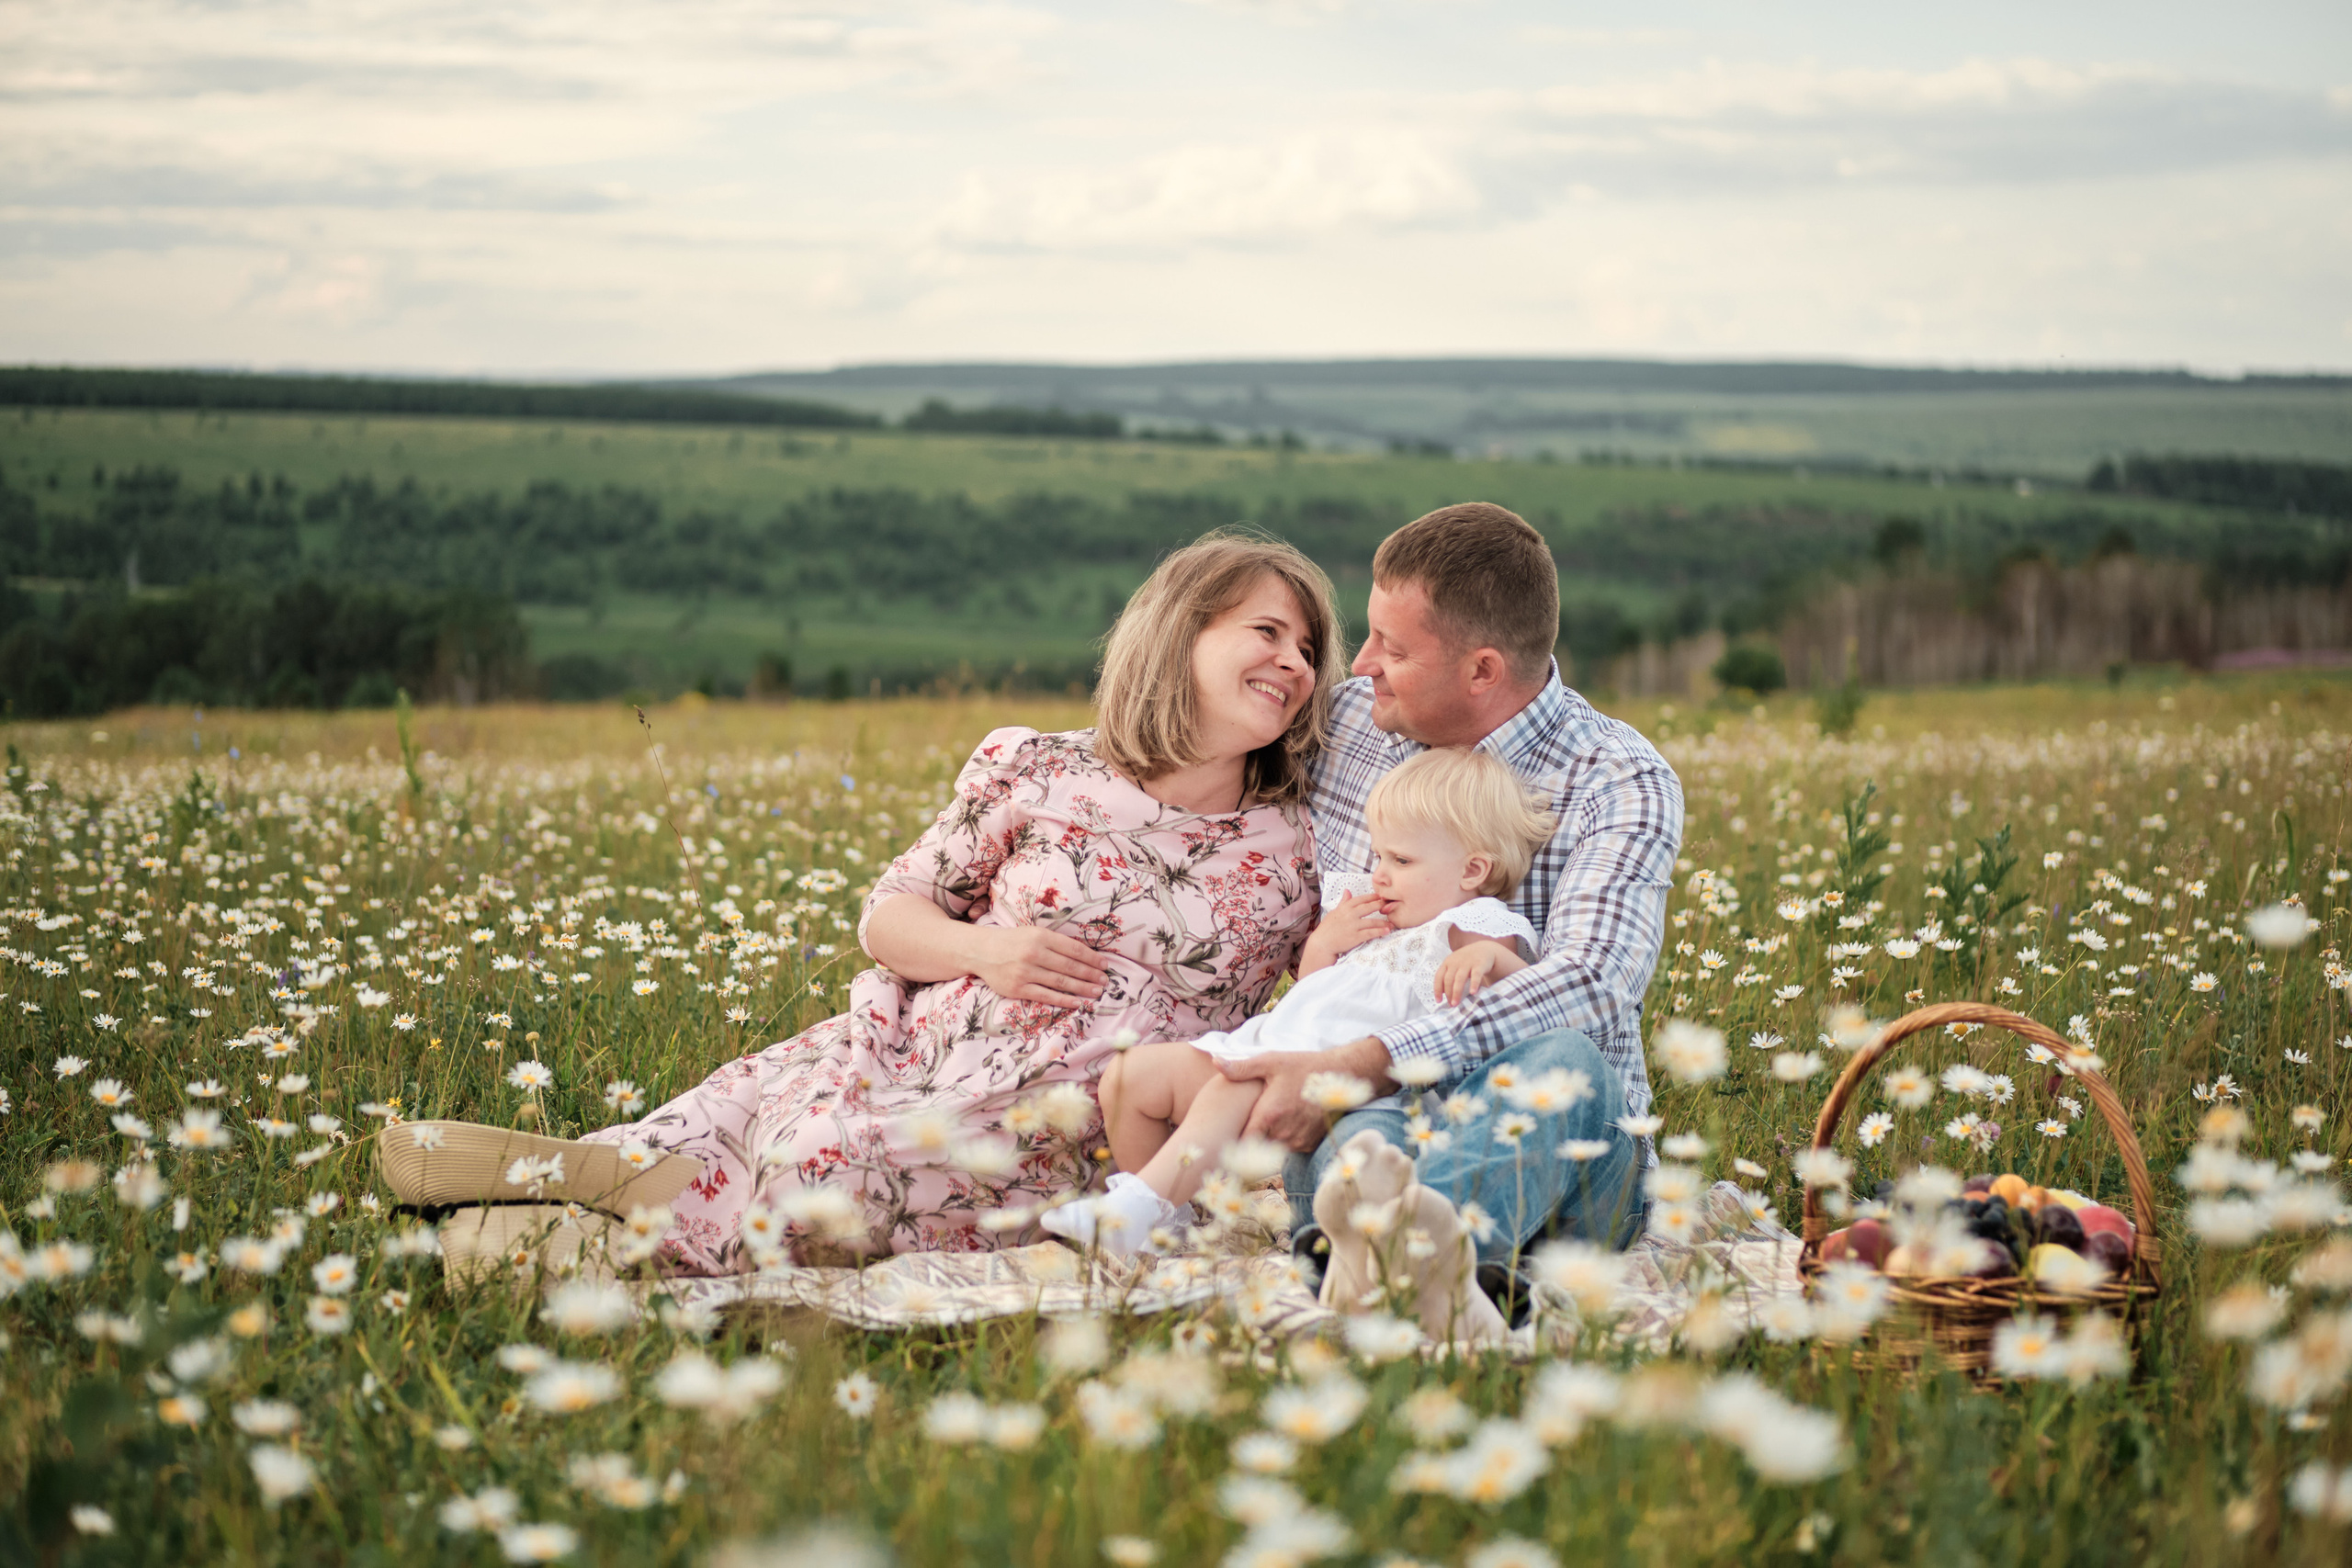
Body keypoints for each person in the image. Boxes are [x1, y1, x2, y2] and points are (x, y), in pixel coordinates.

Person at [377, 529, 1350, 1280]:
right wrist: (988, 952)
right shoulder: (1040, 767)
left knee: (827, 1169)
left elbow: (1315, 1005)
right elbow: (891, 914)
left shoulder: (1299, 839)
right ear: (1180, 632)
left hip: (1081, 1122)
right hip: (918, 1047)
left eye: (1308, 650)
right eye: (1267, 632)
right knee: (767, 1120)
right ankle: (593, 1187)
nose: (1295, 664)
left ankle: (589, 1223)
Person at [1216, 502, 1683, 1327]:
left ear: (1482, 670)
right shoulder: (1348, 724)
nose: (1361, 663)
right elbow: (1180, 741)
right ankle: (1436, 1274)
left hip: (1565, 1160)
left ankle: (1382, 1261)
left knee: (1568, 1059)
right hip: (1375, 1126)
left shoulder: (1616, 777)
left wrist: (1374, 1057)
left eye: (1393, 648)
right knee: (1361, 1123)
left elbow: (1594, 984)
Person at [1044, 747, 1553, 1259]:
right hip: (1278, 1045)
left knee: (1232, 1086)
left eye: (1401, 860)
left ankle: (1136, 1207)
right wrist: (1323, 947)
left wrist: (1493, 958)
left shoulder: (1475, 924)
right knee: (1131, 1077)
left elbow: (1530, 1001)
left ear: (1472, 871)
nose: (1379, 874)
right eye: (1378, 855)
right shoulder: (1377, 923)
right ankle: (1160, 1228)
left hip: (1347, 1084)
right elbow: (1312, 996)